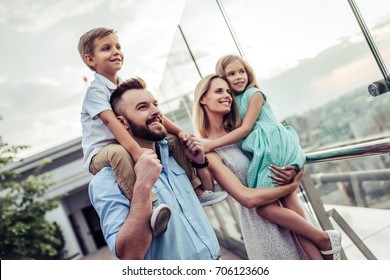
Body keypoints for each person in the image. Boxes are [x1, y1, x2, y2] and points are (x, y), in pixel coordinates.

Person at [77, 27, 227, 236]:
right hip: (101, 153)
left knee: (173, 140)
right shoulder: (96, 91)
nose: (115, 52)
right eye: (106, 48)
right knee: (119, 153)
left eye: (118, 47)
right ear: (90, 59)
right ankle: (151, 207)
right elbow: (113, 123)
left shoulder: (123, 86)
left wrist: (180, 132)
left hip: (122, 142)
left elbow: (156, 114)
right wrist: (136, 151)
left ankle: (197, 190)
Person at [194, 73, 343, 260]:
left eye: (228, 91)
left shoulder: (244, 131)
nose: (227, 96)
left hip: (292, 217)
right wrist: (289, 187)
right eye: (218, 91)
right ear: (203, 99)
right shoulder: (206, 148)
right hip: (262, 225)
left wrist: (294, 167)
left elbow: (284, 143)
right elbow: (247, 199)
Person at [88, 77, 220, 260]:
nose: (156, 111)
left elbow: (207, 194)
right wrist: (142, 185)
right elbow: (129, 255)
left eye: (155, 104)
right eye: (143, 107)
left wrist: (199, 163)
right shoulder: (106, 180)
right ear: (123, 122)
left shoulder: (173, 158)